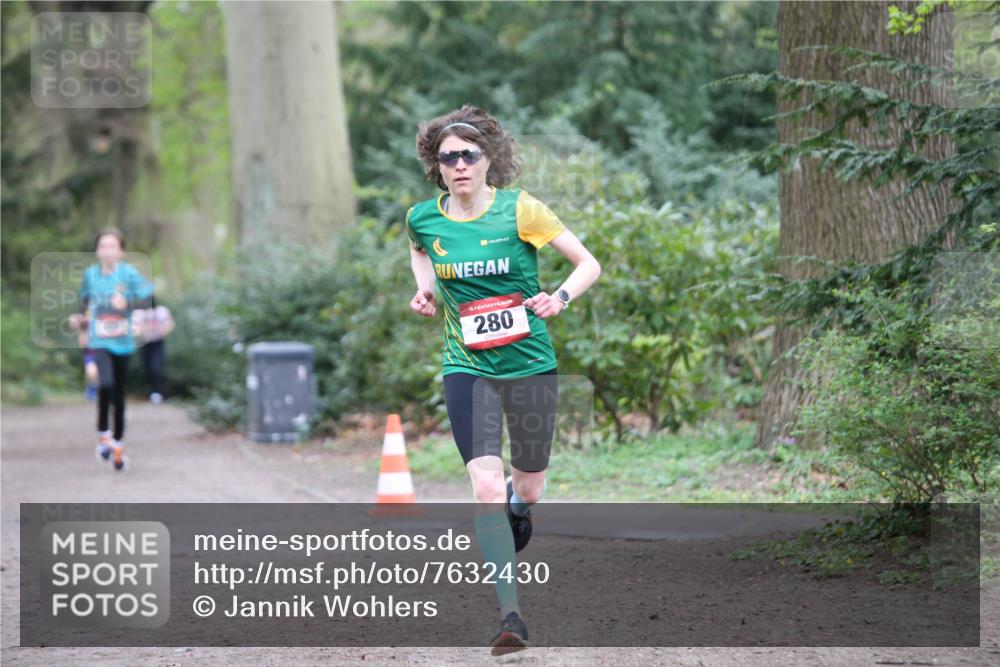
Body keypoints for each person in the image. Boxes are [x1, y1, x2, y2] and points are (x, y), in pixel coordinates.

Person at [405, 105, 600, 655]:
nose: (460, 164)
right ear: (436, 166)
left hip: (529, 364)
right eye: (449, 157)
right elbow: (420, 252)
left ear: (489, 159)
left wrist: (558, 297)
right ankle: (510, 615)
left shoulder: (522, 210)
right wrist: (426, 290)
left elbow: (588, 264)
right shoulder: (424, 217)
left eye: (469, 154)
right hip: (467, 367)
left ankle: (521, 503)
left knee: (527, 487)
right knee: (485, 486)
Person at [70, 228, 153, 471]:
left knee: (119, 393)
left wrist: (128, 303)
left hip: (124, 342)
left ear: (121, 251)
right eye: (102, 246)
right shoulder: (90, 275)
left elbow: (149, 299)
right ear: (97, 251)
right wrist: (79, 320)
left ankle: (117, 441)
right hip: (100, 340)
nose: (106, 250)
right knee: (104, 384)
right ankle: (102, 432)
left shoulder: (129, 274)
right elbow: (84, 301)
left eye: (112, 246)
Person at [132, 296, 174, 404]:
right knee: (148, 368)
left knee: (156, 368)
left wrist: (162, 331)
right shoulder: (139, 313)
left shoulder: (162, 311)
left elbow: (170, 324)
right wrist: (141, 330)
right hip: (145, 344)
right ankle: (152, 392)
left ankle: (158, 393)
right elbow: (134, 328)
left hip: (158, 343)